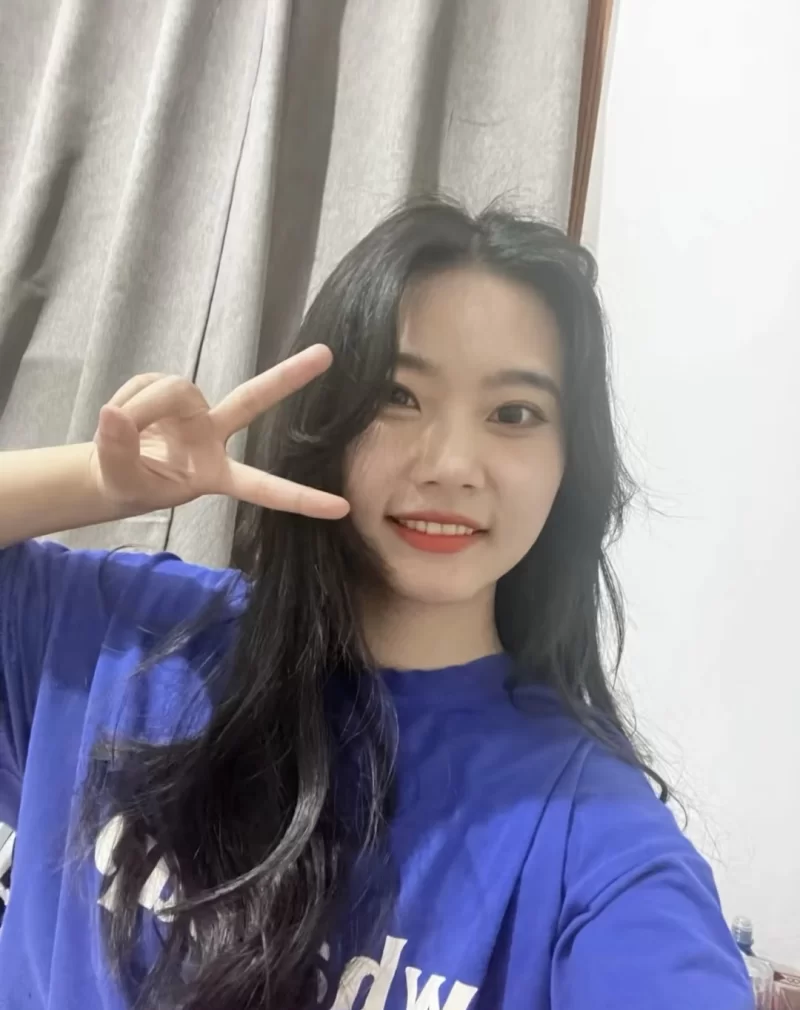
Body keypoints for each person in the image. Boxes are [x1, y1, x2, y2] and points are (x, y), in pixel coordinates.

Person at [0, 199, 752, 1010]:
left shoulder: (591, 836)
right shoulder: (126, 634)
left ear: (571, 463)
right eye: (398, 395)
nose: (452, 464)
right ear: (329, 418)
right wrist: (98, 480)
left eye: (514, 413)